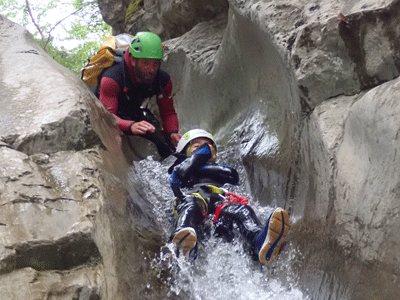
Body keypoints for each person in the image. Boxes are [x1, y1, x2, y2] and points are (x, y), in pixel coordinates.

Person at [168, 129, 290, 265]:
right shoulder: (180, 172)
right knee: (191, 205)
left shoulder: (220, 170)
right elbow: (179, 178)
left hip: (219, 205)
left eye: (210, 147)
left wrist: (199, 158)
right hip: (197, 201)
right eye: (197, 146)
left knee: (242, 210)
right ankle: (182, 237)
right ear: (184, 154)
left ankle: (258, 240)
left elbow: (232, 175)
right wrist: (192, 161)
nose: (206, 149)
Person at [98, 31, 182, 159]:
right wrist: (130, 126)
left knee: (164, 145)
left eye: (155, 63)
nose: (151, 70)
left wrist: (172, 132)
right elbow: (107, 116)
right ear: (132, 60)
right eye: (146, 63)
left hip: (134, 111)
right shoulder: (112, 79)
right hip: (109, 113)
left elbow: (168, 112)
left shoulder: (163, 80)